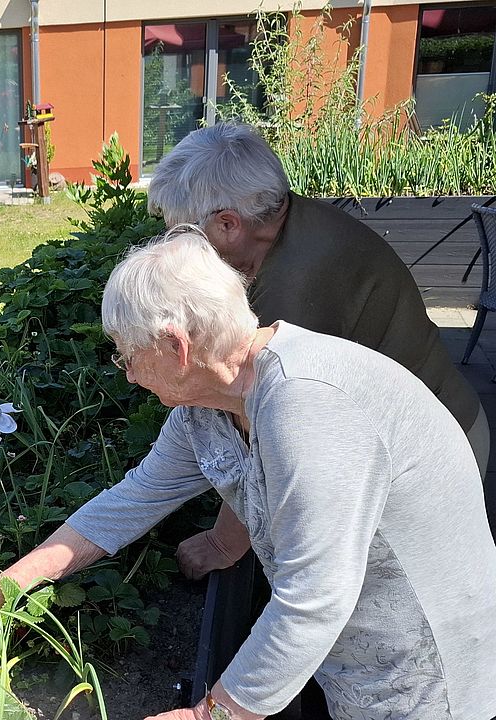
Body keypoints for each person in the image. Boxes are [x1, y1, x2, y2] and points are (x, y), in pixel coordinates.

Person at [0, 228, 496, 720]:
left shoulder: (310, 404)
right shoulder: (208, 409)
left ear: (177, 347)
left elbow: (315, 598)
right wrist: (2, 589)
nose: (127, 375)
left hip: (427, 665)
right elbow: (133, 499)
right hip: (354, 655)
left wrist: (211, 715)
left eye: (126, 356)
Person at [146, 122, 490, 580]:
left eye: (188, 235)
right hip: (438, 421)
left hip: (432, 461)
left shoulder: (295, 289)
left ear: (229, 223)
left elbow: (269, 436)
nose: (182, 250)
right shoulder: (286, 224)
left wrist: (223, 542)